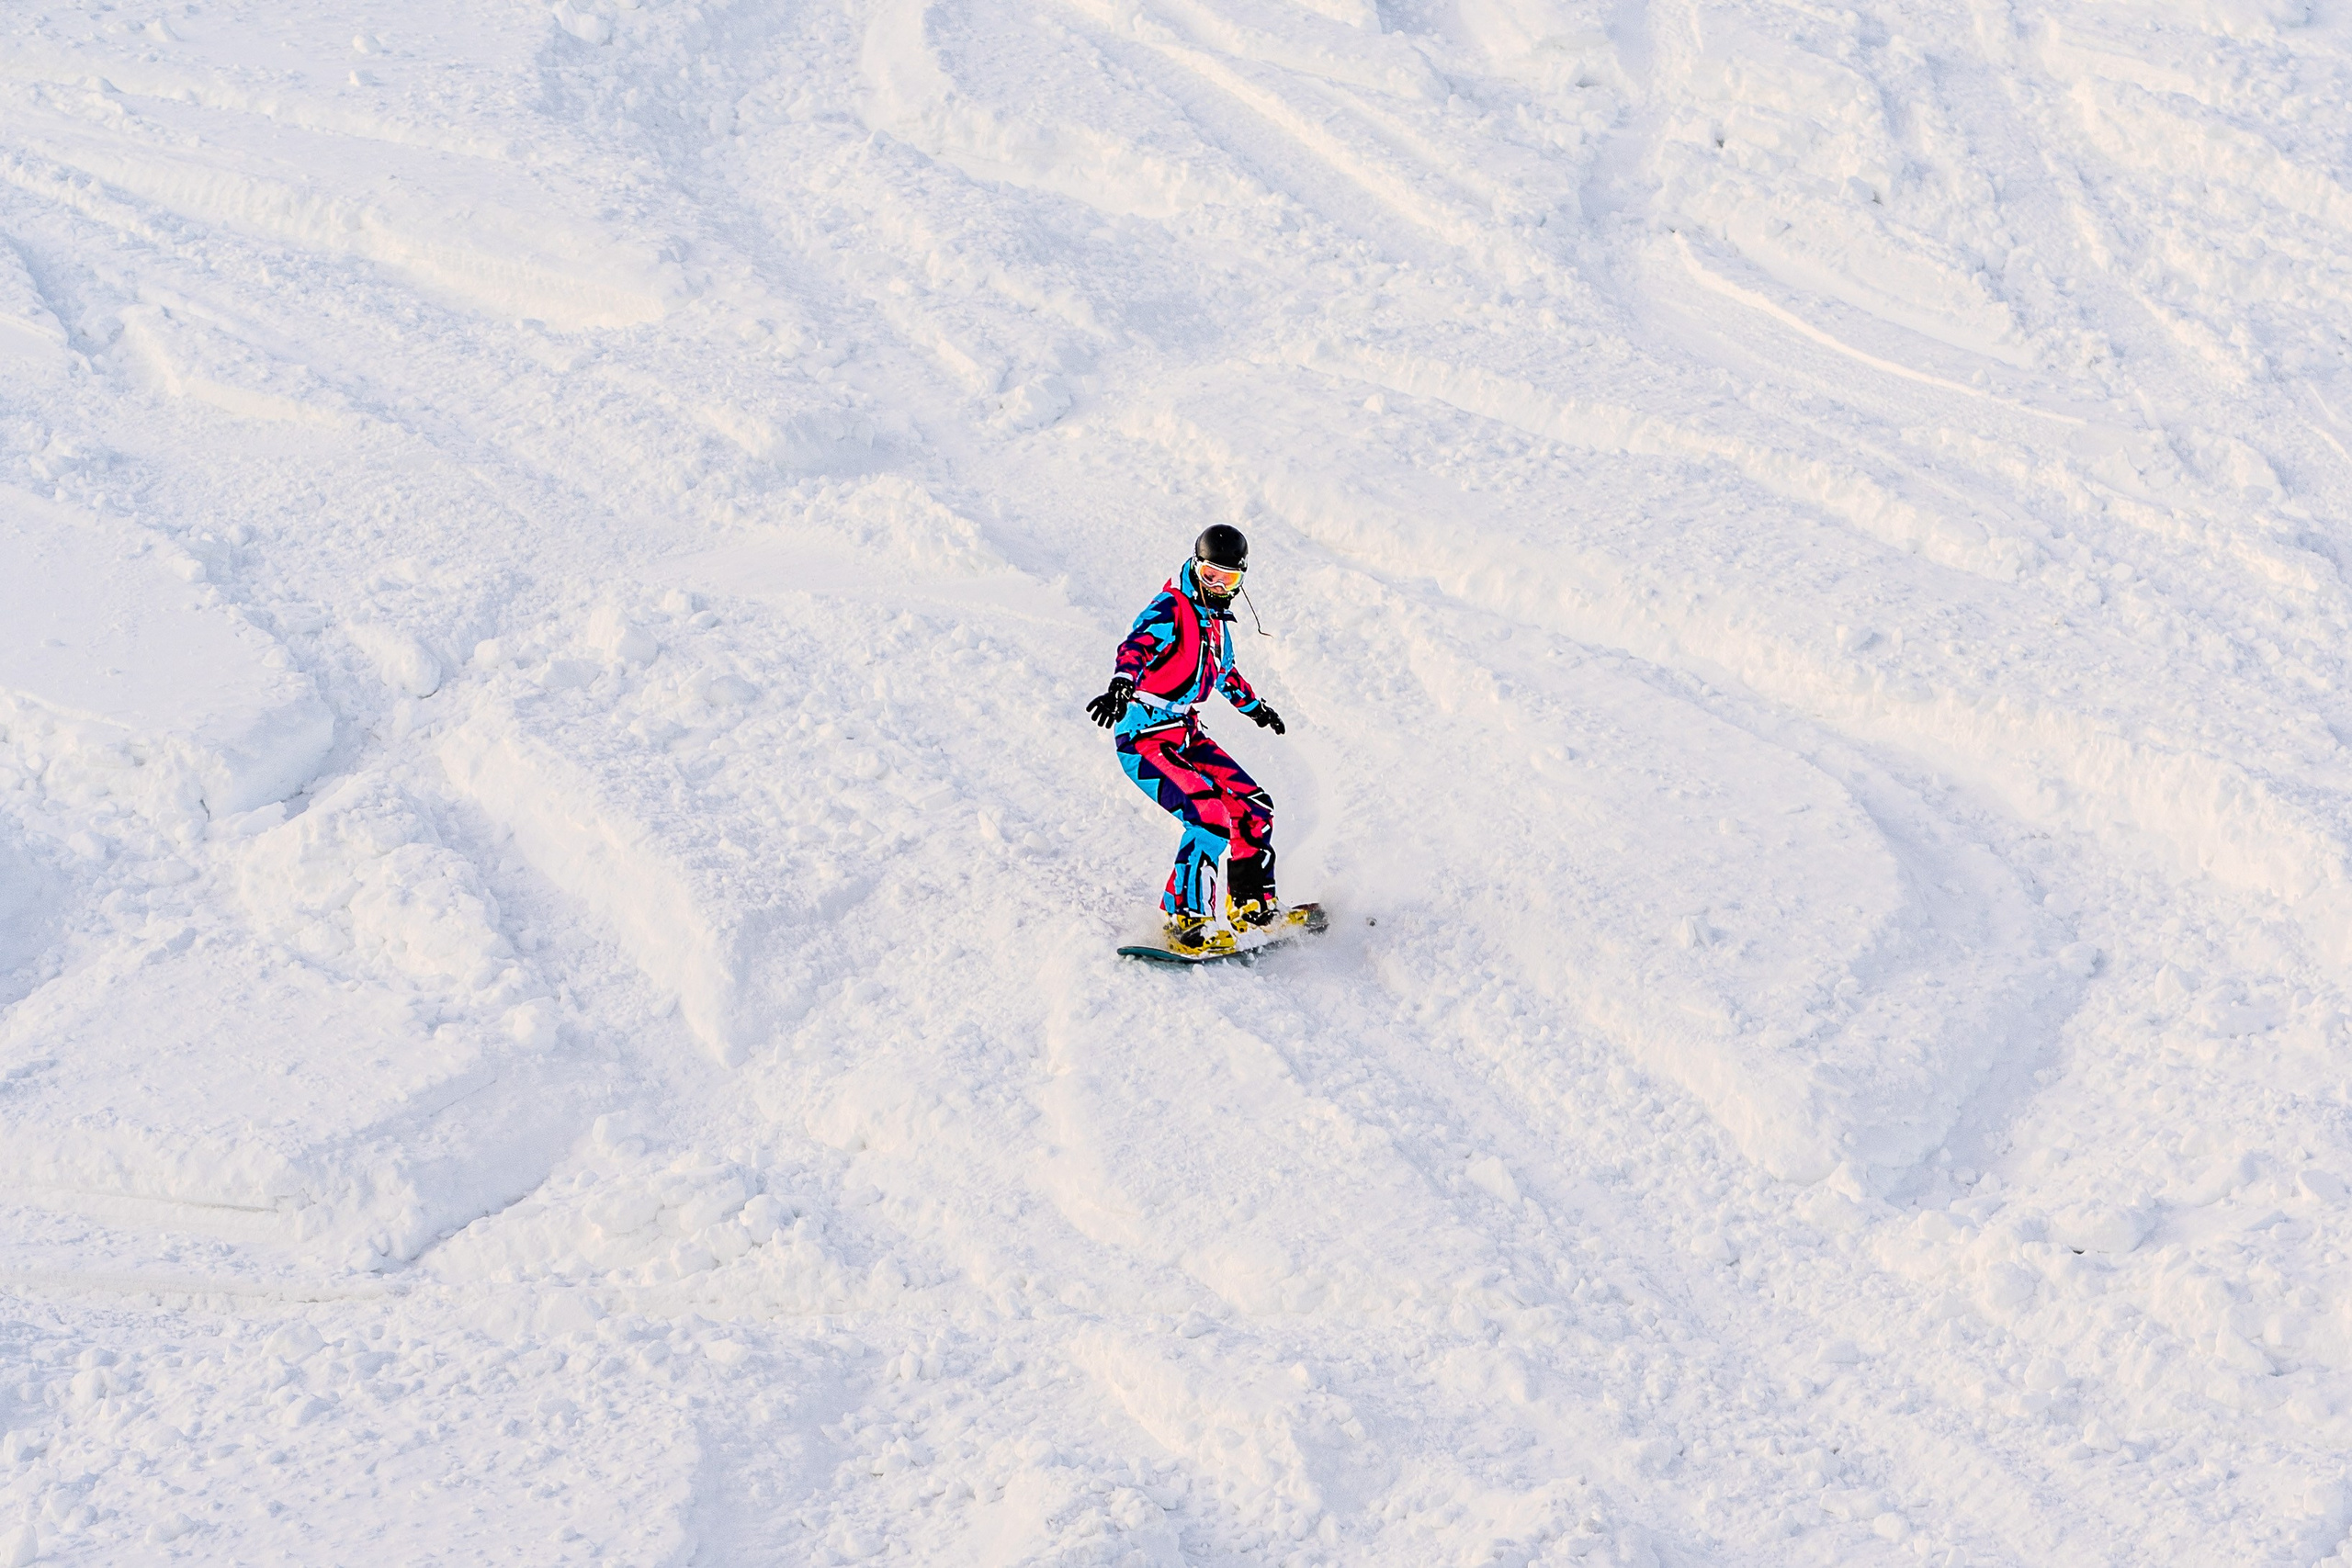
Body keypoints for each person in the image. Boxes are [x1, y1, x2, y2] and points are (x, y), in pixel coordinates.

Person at [1087, 525, 1287, 956]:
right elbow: (1136, 648)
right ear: (1196, 568)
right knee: (1208, 814)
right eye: (1210, 574)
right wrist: (1121, 684)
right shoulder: (1170, 607)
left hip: (1185, 732)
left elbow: (1226, 675)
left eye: (1228, 579)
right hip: (1144, 737)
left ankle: (1252, 905)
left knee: (1254, 806)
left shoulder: (1216, 627)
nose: (1217, 586)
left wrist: (1258, 710)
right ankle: (1186, 919)